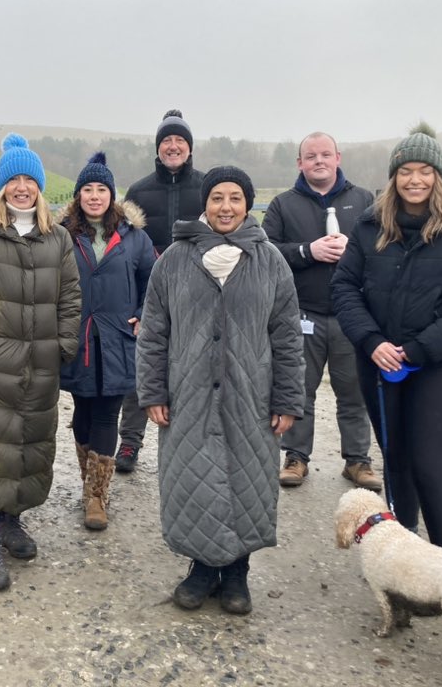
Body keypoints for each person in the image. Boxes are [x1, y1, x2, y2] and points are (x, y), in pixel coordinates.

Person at [137, 166, 305, 615]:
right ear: (204, 205)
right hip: (188, 393)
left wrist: (288, 400)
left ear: (248, 204)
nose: (225, 207)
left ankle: (236, 572)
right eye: (216, 198)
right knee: (193, 477)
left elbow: (287, 336)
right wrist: (153, 391)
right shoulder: (173, 259)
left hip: (252, 396)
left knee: (247, 479)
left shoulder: (270, 261)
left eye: (234, 198)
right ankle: (200, 569)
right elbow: (154, 331)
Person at [331, 129, 442, 552]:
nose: (415, 180)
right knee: (397, 463)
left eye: (425, 171)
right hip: (378, 361)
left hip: (437, 365)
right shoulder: (370, 225)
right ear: (394, 176)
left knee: (428, 465)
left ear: (438, 176)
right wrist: (371, 341)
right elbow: (345, 287)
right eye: (405, 171)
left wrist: (421, 348)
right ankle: (403, 560)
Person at [0, 133, 81, 591]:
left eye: (30, 179)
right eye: (14, 179)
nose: (22, 187)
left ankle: (12, 521)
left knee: (27, 447)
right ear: (2, 186)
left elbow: (69, 295)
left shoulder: (57, 237)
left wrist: (64, 343)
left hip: (40, 364)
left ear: (40, 187)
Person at [263, 132, 380, 491]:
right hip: (302, 314)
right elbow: (266, 254)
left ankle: (357, 461)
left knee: (354, 391)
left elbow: (383, 248)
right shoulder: (283, 205)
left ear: (338, 158)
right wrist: (306, 251)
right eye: (310, 156)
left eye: (325, 154)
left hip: (351, 315)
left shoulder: (364, 200)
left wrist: (357, 250)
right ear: (299, 163)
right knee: (298, 390)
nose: (318, 161)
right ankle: (296, 457)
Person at [59, 153, 156, 530]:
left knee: (106, 413)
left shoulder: (135, 238)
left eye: (102, 189)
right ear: (78, 194)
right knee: (82, 412)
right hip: (78, 337)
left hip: (118, 339)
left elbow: (154, 280)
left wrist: (145, 313)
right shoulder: (63, 235)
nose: (95, 196)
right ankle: (89, 480)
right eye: (88, 188)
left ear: (112, 195)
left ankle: (97, 495)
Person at [115, 109, 205, 473]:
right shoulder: (138, 191)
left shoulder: (205, 186)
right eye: (166, 141)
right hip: (151, 291)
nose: (172, 146)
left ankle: (190, 442)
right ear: (157, 148)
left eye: (179, 141)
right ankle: (130, 442)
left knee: (193, 366)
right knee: (144, 364)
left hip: (197, 289)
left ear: (189, 148)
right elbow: (127, 245)